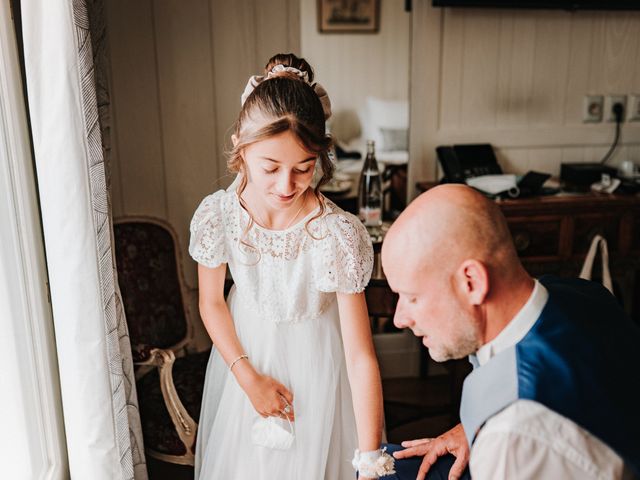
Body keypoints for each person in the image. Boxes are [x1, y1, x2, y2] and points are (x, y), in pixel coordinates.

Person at [189, 53, 394, 479]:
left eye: (303, 169)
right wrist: (247, 377)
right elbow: (211, 302)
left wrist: (372, 456)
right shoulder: (219, 215)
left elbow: (359, 356)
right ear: (241, 150)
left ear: (319, 157)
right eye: (270, 167)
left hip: (319, 368)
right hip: (243, 359)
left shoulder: (337, 233)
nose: (286, 185)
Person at [380, 184, 640, 480]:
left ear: (472, 282)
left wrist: (494, 429)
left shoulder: (511, 438)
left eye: (412, 297)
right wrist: (472, 426)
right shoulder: (581, 293)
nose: (399, 319)